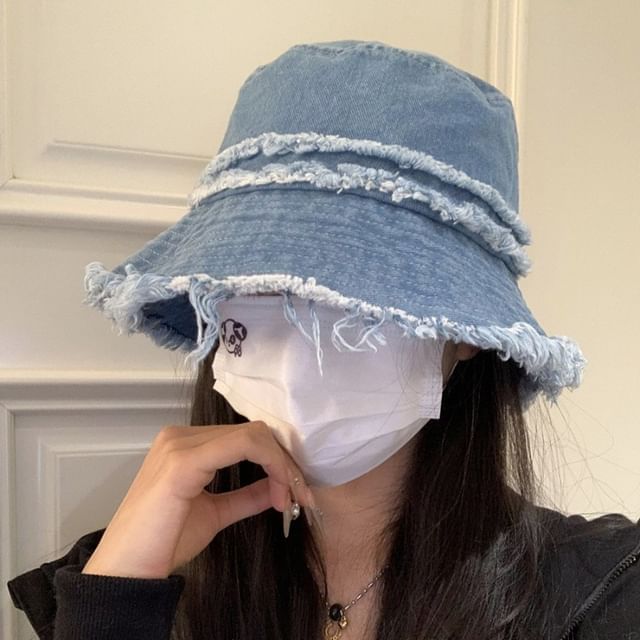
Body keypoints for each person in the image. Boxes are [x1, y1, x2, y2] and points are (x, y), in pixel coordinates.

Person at [6, 39, 640, 640]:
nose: (296, 355)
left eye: (357, 297)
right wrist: (115, 599)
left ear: (466, 335)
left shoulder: (600, 596)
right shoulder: (139, 569)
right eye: (259, 287)